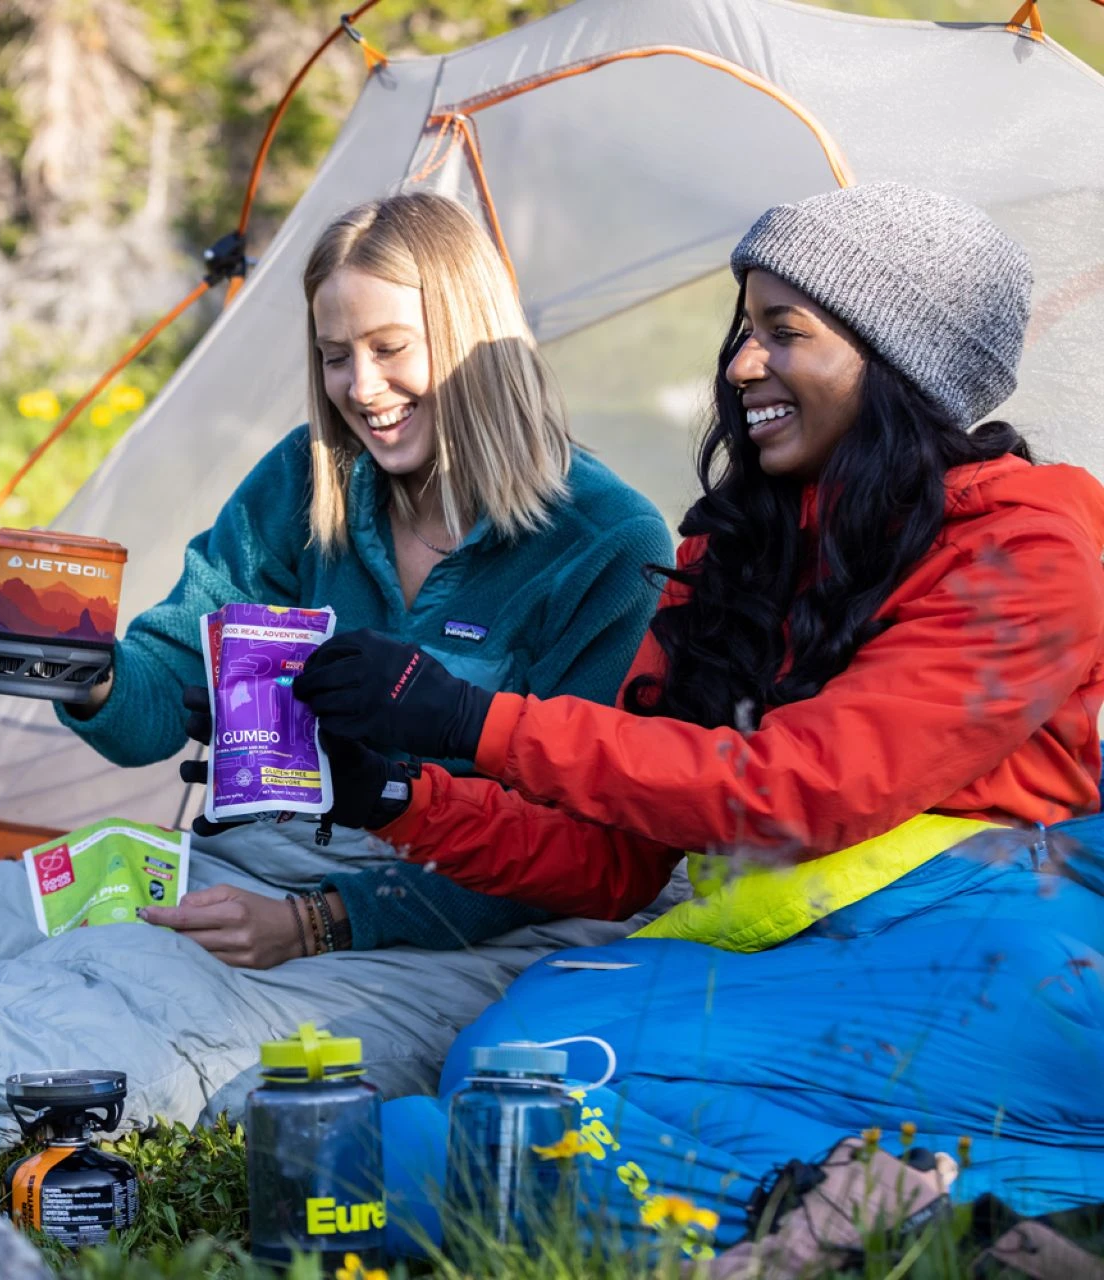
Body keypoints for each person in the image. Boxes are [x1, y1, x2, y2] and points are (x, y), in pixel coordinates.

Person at [294, 183, 1104, 1249]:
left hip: (1014, 954)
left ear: (896, 359)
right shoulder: (731, 556)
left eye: (783, 333)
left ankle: (961, 1199)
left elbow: (803, 786)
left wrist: (471, 719)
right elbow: (615, 860)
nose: (738, 365)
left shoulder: (1031, 547)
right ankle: (893, 1207)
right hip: (797, 945)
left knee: (494, 1105)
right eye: (743, 329)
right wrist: (396, 794)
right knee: (510, 1064)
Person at [57, 190, 673, 964]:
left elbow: (570, 849)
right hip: (263, 866)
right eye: (335, 355)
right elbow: (168, 676)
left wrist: (319, 922)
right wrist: (83, 674)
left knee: (105, 1008)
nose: (360, 388)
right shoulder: (305, 480)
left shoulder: (608, 544)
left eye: (390, 348)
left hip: (468, 921)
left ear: (472, 340)